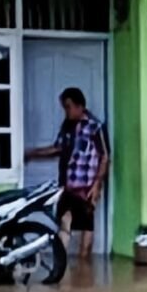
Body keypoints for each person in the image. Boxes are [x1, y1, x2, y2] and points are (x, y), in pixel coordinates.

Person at [25, 87, 110, 259]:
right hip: (68, 185)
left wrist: (97, 185)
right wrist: (33, 153)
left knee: (86, 226)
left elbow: (105, 157)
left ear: (80, 106)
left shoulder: (95, 127)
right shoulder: (68, 127)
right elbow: (57, 148)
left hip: (86, 187)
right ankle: (62, 266)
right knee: (64, 222)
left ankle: (84, 270)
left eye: (69, 107)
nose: (67, 111)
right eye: (65, 107)